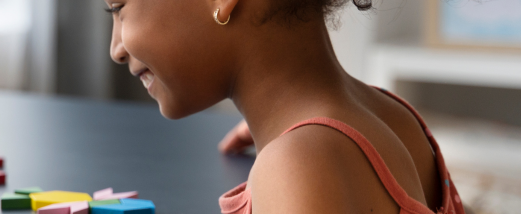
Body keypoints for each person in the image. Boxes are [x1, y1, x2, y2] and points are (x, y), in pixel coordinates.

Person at [104, 0, 466, 213]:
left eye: (120, 9)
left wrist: (294, 155)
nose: (116, 49)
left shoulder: (297, 166)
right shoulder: (397, 117)